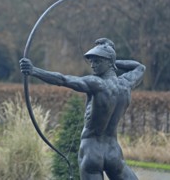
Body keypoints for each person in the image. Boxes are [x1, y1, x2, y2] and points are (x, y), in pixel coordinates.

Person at [19, 38, 145, 180]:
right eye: (91, 60)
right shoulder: (126, 84)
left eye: (97, 61)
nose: (92, 65)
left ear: (109, 62)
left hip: (91, 151)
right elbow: (140, 67)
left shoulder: (96, 83)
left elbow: (63, 79)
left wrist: (34, 71)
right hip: (113, 152)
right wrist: (113, 60)